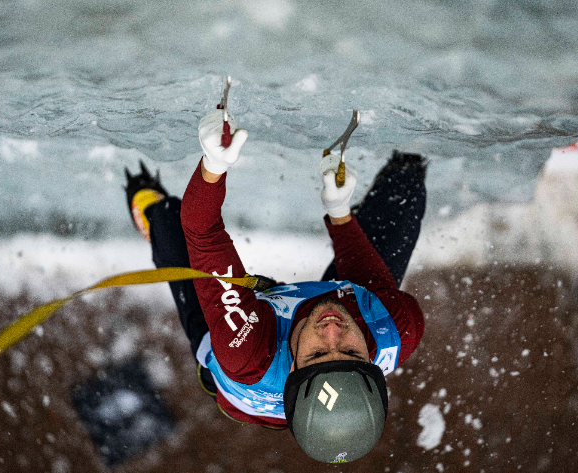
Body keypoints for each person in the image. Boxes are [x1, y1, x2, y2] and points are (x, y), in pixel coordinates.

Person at [124, 109, 426, 463]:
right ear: (372, 360)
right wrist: (339, 212)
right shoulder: (397, 328)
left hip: (239, 365)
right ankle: (405, 164)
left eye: (316, 353)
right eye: (351, 351)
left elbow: (203, 230)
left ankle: (154, 215)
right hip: (294, 358)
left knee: (172, 227)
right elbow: (364, 284)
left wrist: (213, 167)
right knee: (405, 188)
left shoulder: (247, 352)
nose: (332, 332)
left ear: (294, 368)